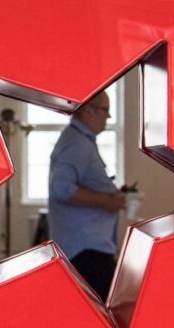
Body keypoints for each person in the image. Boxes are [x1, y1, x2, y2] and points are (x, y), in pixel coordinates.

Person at [48, 91, 125, 302]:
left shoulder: (79, 141)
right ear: (89, 111)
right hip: (86, 250)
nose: (108, 116)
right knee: (104, 313)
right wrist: (107, 201)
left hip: (86, 247)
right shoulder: (78, 144)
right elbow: (62, 188)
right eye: (106, 110)